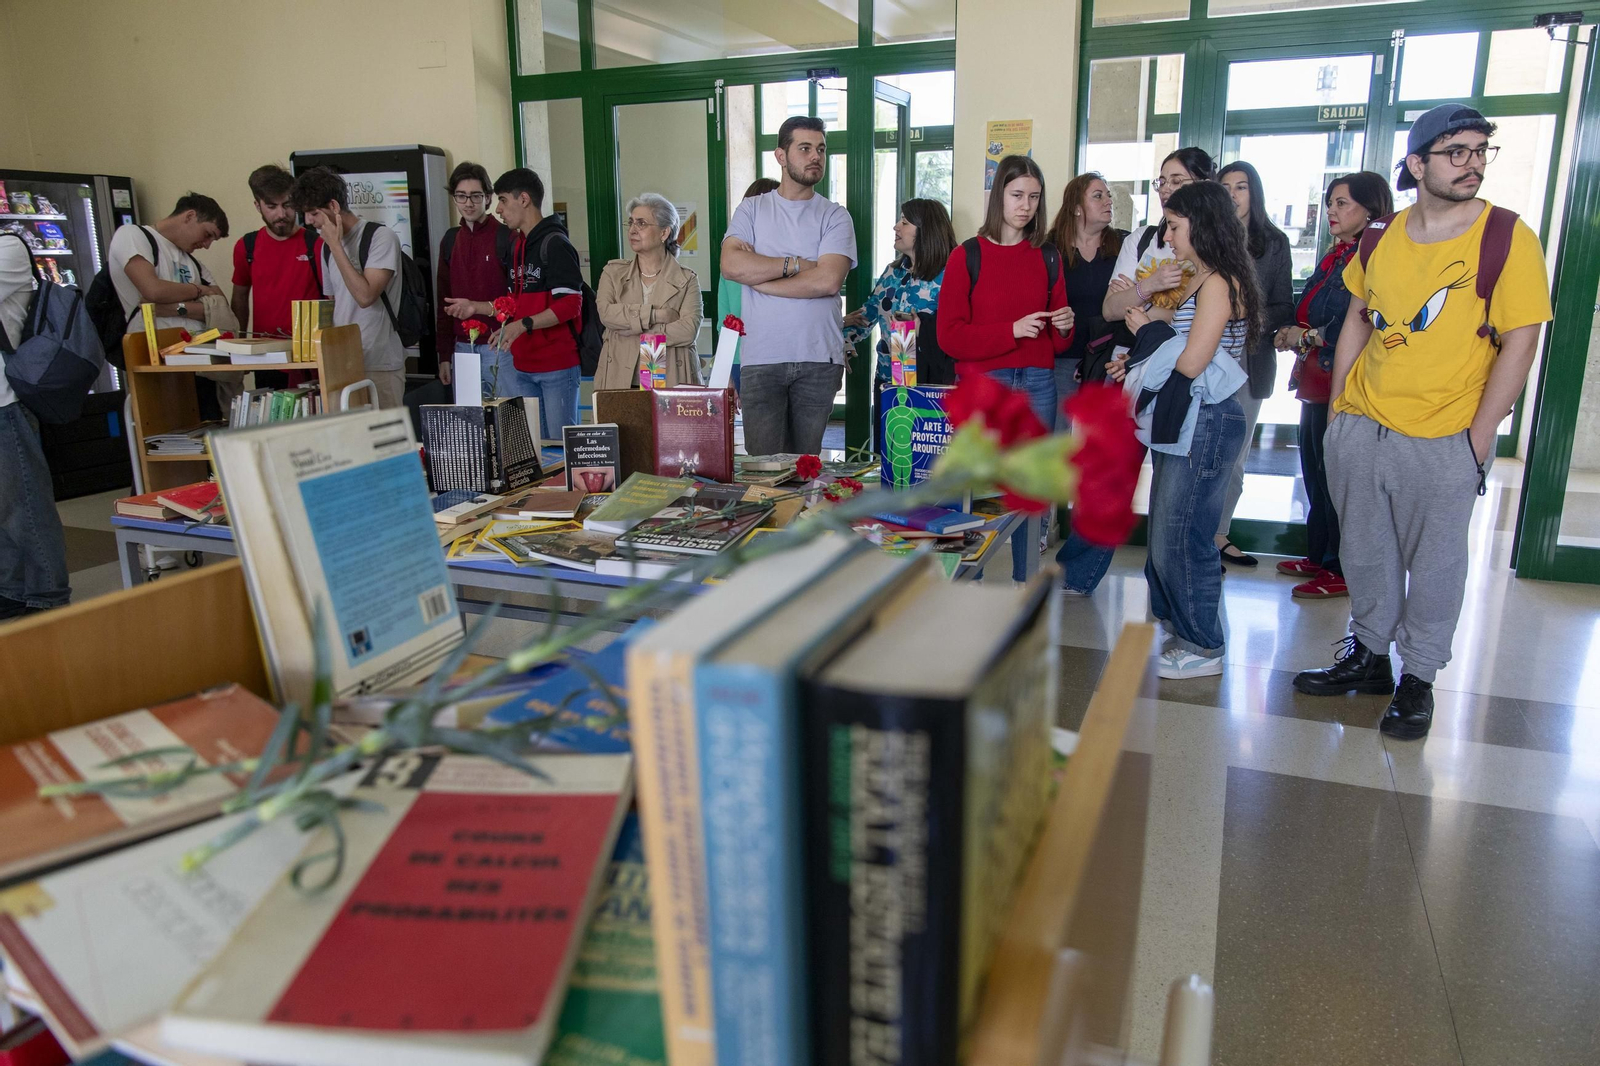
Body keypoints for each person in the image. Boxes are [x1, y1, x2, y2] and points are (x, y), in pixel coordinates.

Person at [1293, 104, 1551, 740]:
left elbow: (1521, 340)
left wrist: (1480, 436)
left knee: (1434, 566)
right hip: (1363, 425)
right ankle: (1371, 655)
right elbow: (1358, 313)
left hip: (1444, 434)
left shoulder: (1506, 235)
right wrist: (1344, 404)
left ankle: (1420, 677)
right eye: (1455, 152)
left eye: (1480, 151)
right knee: (1365, 551)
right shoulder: (1383, 236)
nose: (1472, 164)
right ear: (1417, 164)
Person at [1118, 181, 1259, 679]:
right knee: (1168, 530)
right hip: (1191, 416)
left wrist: (1146, 333)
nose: (1169, 238)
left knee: (1185, 535)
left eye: (1175, 227)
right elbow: (1155, 325)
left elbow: (1193, 360)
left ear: (1202, 224)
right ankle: (1185, 627)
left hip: (1208, 418)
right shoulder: (1198, 277)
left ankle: (1204, 646)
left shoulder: (1220, 282)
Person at [937, 154, 1074, 582]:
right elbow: (950, 337)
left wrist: (1066, 326)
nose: (1026, 205)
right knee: (974, 486)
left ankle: (1024, 580)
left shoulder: (1048, 256)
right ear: (999, 196)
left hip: (1037, 381)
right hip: (984, 384)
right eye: (1017, 195)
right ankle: (968, 580)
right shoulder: (967, 256)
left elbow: (1057, 339)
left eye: (1034, 197)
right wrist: (1012, 330)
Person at [1273, 171, 1393, 601]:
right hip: (1315, 380)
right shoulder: (1335, 256)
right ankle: (1321, 555)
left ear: (1371, 209)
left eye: (1342, 203)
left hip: (1347, 383)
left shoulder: (1374, 256)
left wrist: (1303, 337)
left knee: (1339, 477)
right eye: (1330, 203)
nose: (1332, 212)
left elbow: (1353, 323)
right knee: (1316, 472)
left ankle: (1342, 569)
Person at [721, 116, 857, 456]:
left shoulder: (835, 216)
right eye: (805, 148)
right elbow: (731, 265)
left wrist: (762, 281)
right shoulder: (751, 210)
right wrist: (794, 265)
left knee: (805, 471)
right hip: (761, 358)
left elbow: (827, 280)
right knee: (764, 473)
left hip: (818, 358)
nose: (816, 157)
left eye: (821, 150)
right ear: (781, 155)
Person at [1046, 172, 1129, 596]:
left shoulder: (1125, 246)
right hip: (1060, 363)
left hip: (1108, 366)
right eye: (1099, 195)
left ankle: (1081, 565)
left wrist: (1104, 356)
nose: (1108, 202)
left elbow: (1130, 307)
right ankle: (1045, 529)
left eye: (1109, 196)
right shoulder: (1051, 249)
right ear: (1077, 205)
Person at [1214, 160, 1294, 569]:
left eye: (1241, 187)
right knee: (1202, 452)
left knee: (1235, 457)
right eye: (1225, 187)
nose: (1232, 194)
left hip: (1250, 355)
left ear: (1254, 193)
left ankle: (1220, 534)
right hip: (1205, 355)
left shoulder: (1274, 243)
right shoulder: (1206, 237)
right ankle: (1194, 537)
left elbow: (1285, 305)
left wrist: (1246, 315)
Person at [289, 166, 406, 409]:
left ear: (333, 206)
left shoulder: (380, 237)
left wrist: (336, 246)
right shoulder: (324, 247)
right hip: (343, 365)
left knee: (387, 443)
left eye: (313, 213)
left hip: (380, 363)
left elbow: (365, 296)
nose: (309, 222)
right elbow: (334, 303)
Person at [843, 196, 956, 442]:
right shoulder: (894, 271)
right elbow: (868, 314)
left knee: (921, 461)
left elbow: (959, 329)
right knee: (888, 455)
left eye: (904, 222)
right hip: (888, 379)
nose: (896, 226)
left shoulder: (951, 273)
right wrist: (841, 339)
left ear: (926, 230)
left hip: (929, 383)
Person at [107, 192, 228, 415]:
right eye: (208, 234)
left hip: (200, 366)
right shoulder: (134, 236)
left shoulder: (192, 261)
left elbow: (220, 308)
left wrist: (174, 308)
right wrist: (198, 290)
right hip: (155, 361)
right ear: (190, 216)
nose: (207, 245)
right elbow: (152, 290)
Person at [0, 233, 70, 619]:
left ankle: (48, 592)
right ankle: (11, 590)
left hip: (6, 401)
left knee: (24, 505)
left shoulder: (7, 249)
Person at [489, 167, 584, 438]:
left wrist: (522, 325)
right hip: (523, 365)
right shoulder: (518, 245)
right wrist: (489, 312)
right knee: (534, 453)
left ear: (524, 199)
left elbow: (570, 305)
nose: (498, 209)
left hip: (556, 366)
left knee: (560, 449)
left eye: (503, 200)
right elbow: (518, 302)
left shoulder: (556, 244)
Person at [594, 193, 703, 391]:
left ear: (664, 233)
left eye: (642, 223)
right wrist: (655, 315)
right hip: (620, 377)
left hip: (669, 376)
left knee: (663, 421)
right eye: (631, 223)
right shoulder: (612, 273)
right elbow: (606, 314)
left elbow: (688, 330)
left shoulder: (687, 279)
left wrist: (633, 330)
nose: (633, 230)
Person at [1102, 147, 1216, 332]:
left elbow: (1203, 320)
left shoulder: (1219, 247)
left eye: (1176, 181)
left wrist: (1144, 305)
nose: (1165, 189)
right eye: (1161, 182)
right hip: (1131, 353)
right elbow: (1110, 310)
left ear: (1204, 184)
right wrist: (1148, 285)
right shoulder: (1142, 239)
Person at [230, 164, 321, 389]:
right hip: (265, 356)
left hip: (310, 357)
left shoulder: (316, 244)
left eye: (287, 205)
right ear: (258, 206)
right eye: (271, 206)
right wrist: (240, 349)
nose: (281, 215)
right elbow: (239, 299)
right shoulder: (246, 246)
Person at [437, 161, 512, 397]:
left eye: (475, 196)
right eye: (461, 196)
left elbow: (517, 299)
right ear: (454, 198)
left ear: (488, 198)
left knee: (506, 420)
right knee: (470, 424)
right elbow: (443, 302)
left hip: (499, 345)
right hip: (461, 348)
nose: (468, 203)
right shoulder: (450, 240)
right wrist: (444, 355)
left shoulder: (506, 237)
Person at [716, 178, 779, 400]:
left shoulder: (783, 256)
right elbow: (726, 321)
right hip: (745, 360)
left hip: (771, 357)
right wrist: (725, 374)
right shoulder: (734, 260)